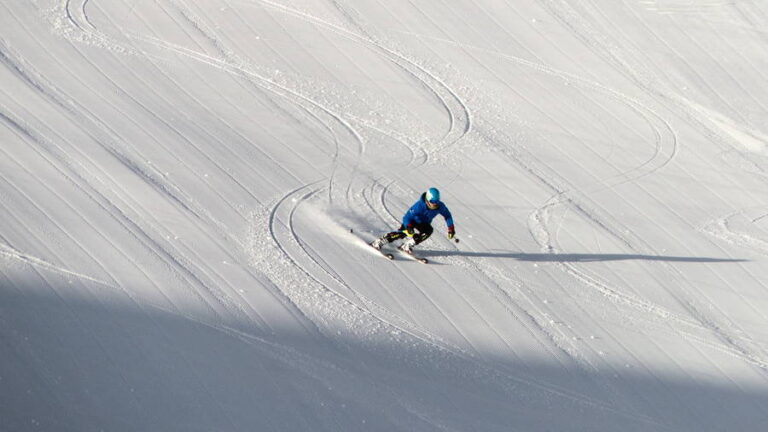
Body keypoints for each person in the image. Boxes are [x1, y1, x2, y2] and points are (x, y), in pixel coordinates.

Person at [371, 187, 455, 253]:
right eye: (432, 201)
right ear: (427, 199)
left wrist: (451, 228)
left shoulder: (440, 206)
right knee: (403, 234)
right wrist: (409, 226)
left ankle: (407, 245)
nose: (435, 203)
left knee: (428, 231)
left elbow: (447, 215)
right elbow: (407, 217)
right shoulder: (419, 206)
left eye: (437, 201)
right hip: (411, 221)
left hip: (423, 223)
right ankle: (380, 241)